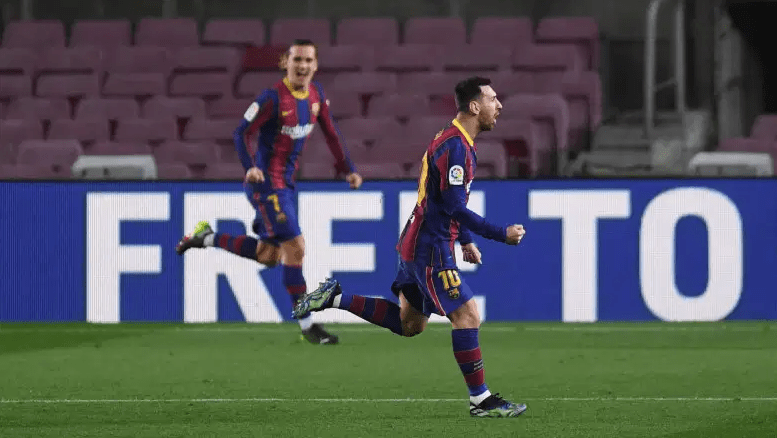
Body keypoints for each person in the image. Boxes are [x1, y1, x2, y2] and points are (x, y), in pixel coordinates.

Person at [293, 77, 528, 417]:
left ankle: (334, 297)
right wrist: (498, 233)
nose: (499, 105)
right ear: (475, 106)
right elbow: (453, 206)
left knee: (410, 324)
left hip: (417, 242)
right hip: (430, 248)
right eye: (493, 98)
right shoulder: (456, 148)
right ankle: (481, 400)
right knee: (467, 315)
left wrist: (464, 240)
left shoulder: (453, 140)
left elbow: (444, 200)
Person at [176, 39, 363, 345]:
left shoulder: (316, 96)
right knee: (296, 246)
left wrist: (348, 169)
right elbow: (240, 132)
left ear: (315, 65)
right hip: (265, 184)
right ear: (284, 63)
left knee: (268, 256)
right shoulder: (272, 98)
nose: (302, 66)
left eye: (308, 60)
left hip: (286, 185)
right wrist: (249, 166)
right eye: (297, 60)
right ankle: (307, 326)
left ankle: (206, 236)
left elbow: (332, 134)